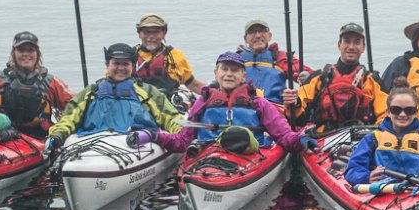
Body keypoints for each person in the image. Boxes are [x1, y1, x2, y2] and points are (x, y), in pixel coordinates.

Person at [134, 52, 317, 155]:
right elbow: (182, 142)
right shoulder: (203, 102)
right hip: (209, 158)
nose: (229, 74)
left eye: (235, 70)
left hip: (249, 157)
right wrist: (154, 136)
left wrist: (301, 139)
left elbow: (283, 135)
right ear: (216, 73)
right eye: (225, 69)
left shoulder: (258, 103)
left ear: (243, 76)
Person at [46, 43, 183, 154]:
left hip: (136, 143)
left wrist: (182, 134)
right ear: (107, 65)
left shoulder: (147, 92)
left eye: (125, 64)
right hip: (91, 144)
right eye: (116, 63)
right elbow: (68, 119)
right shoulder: (91, 92)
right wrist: (57, 135)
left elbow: (170, 117)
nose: (121, 68)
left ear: (133, 67)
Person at [284, 23, 387, 131]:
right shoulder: (319, 78)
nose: (351, 47)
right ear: (339, 45)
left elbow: (385, 117)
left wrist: (373, 139)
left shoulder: (372, 81)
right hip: (324, 138)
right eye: (347, 41)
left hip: (361, 140)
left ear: (363, 47)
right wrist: (293, 105)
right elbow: (299, 120)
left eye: (357, 42)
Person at [344, 83, 419, 187]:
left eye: (409, 110)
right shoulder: (372, 139)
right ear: (388, 112)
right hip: (382, 192)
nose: (402, 114)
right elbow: (353, 170)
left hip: (415, 192)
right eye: (396, 110)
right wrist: (367, 177)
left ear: (416, 112)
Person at [236, 18, 307, 105]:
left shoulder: (279, 57)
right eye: (252, 32)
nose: (258, 35)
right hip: (245, 107)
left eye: (262, 31)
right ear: (245, 38)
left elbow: (309, 76)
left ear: (269, 36)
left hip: (275, 107)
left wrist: (305, 77)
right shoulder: (236, 59)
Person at [132, 13, 204, 95]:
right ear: (139, 34)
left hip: (168, 105)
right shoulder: (131, 55)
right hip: (138, 104)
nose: (151, 36)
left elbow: (194, 85)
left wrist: (216, 93)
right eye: (146, 32)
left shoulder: (174, 56)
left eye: (156, 32)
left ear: (164, 33)